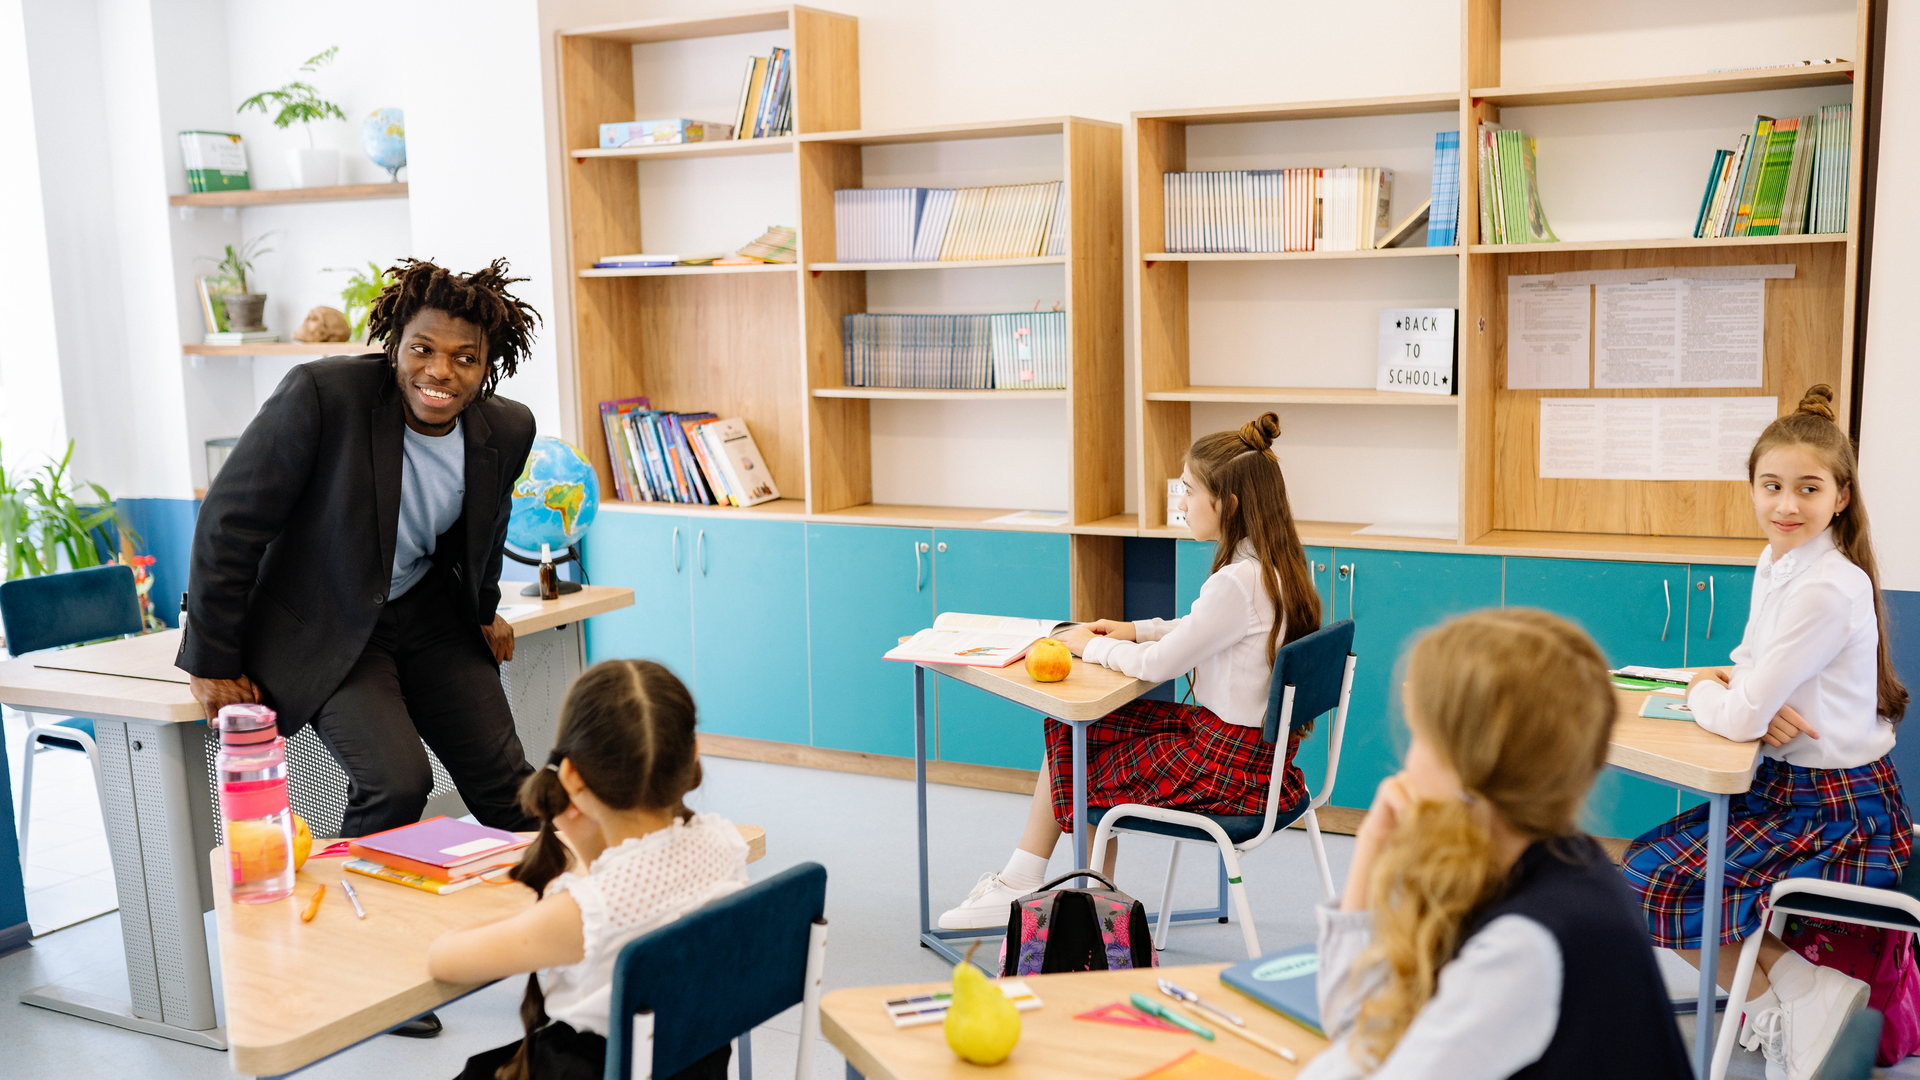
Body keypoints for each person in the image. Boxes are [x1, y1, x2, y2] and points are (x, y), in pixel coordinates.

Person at [180, 258, 543, 845]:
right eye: (423, 349)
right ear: (394, 344)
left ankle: (569, 918)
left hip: (426, 614)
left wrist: (482, 608)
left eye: (465, 358)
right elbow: (229, 522)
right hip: (326, 619)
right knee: (397, 782)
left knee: (510, 786)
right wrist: (211, 662)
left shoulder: (508, 428)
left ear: (487, 367)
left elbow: (488, 522)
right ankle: (351, 929)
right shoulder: (323, 396)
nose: (441, 371)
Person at [1621, 385, 1911, 1080]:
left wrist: (1707, 690)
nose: (1786, 504)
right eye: (1771, 486)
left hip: (1838, 810)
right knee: (1644, 868)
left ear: (1840, 496)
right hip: (1789, 789)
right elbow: (1752, 668)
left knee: (1645, 879)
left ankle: (1808, 996)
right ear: (1751, 488)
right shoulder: (1777, 560)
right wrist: (1743, 691)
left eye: (1807, 489)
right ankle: (1784, 1002)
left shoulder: (1824, 586)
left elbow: (1745, 707)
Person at [939, 412, 1320, 929]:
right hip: (1253, 756)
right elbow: (1197, 629)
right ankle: (1070, 891)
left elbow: (1162, 665)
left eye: (1188, 491)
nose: (1181, 503)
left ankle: (1043, 886)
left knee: (1078, 746)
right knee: (1080, 730)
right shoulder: (1275, 569)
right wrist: (1132, 628)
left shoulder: (1236, 583)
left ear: (1227, 505)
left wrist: (1086, 645)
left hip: (1222, 768)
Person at [1303, 609, 1691, 1080]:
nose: (1407, 760)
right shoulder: (1551, 857)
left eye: (1421, 737)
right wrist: (1371, 844)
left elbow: (1362, 1045)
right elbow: (1357, 1027)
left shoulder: (1524, 945)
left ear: (1468, 766)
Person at [428, 660, 748, 1080]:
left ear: (572, 777)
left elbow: (444, 959)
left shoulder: (589, 911)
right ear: (692, 755)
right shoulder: (723, 844)